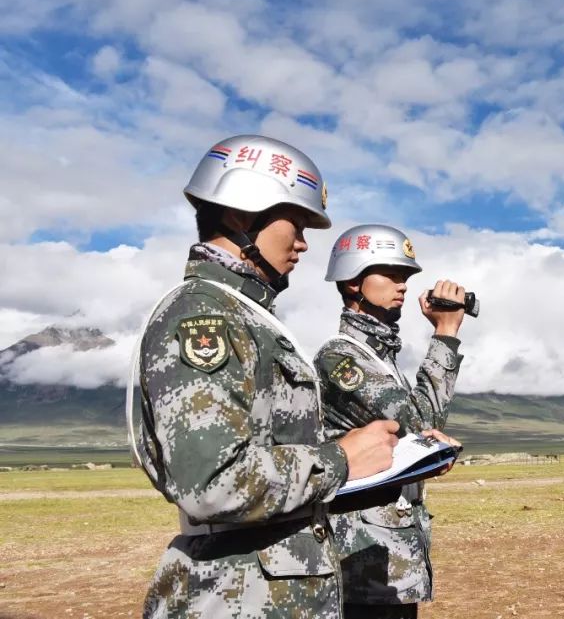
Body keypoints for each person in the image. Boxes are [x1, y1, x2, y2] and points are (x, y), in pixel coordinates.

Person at [127, 135, 401, 619]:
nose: (303, 243)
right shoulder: (205, 316)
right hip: (234, 598)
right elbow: (211, 482)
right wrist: (340, 459)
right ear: (241, 212)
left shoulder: (247, 315)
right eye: (296, 223)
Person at [316, 223, 466, 619]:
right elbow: (419, 427)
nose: (402, 285)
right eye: (391, 274)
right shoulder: (341, 358)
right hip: (362, 562)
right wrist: (446, 334)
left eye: (406, 276)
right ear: (353, 282)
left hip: (388, 557)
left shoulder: (380, 356)